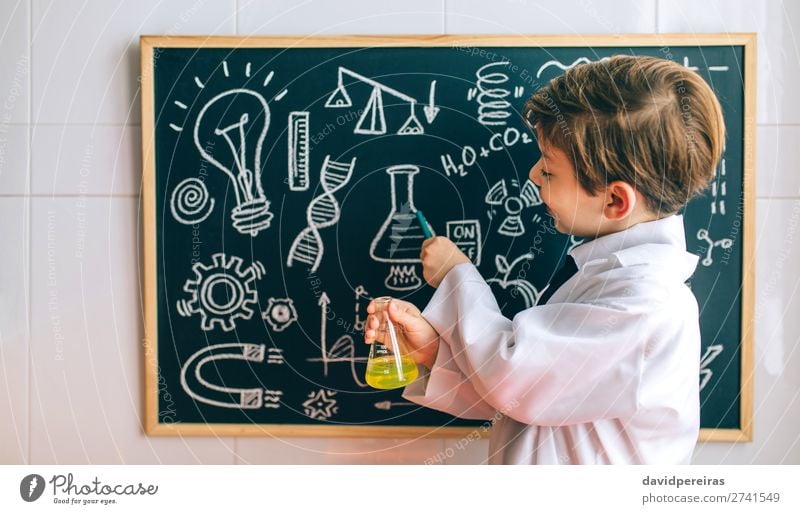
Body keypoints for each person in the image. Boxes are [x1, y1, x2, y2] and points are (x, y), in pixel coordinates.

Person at [364, 55, 725, 464]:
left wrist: (455, 275)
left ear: (615, 199)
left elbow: (514, 379)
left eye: (549, 170)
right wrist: (433, 352)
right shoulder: (608, 281)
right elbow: (534, 404)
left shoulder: (644, 305)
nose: (533, 175)